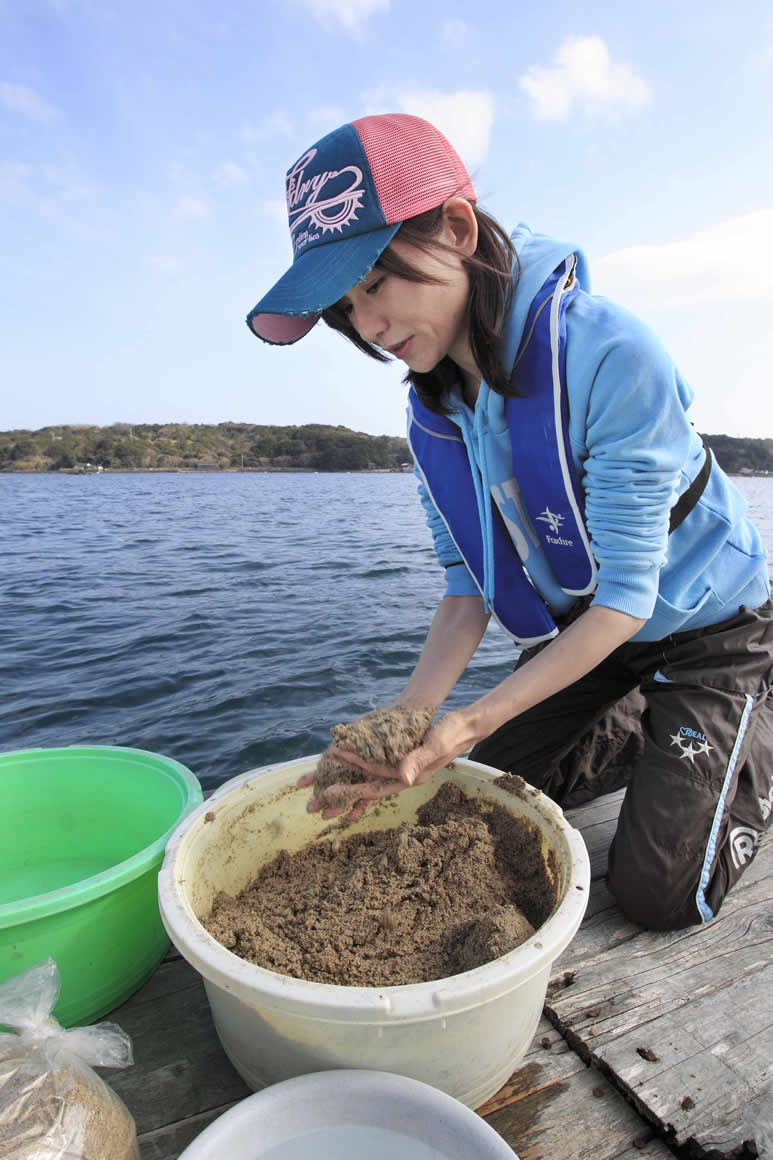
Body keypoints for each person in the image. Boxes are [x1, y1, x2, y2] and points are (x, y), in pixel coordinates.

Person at [245, 113, 773, 931]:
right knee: (464, 801)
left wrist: (469, 719)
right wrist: (411, 723)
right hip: (594, 643)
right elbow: (467, 592)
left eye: (375, 285)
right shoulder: (431, 422)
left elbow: (626, 596)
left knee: (664, 894)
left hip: (713, 630)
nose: (372, 329)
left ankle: (743, 721)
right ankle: (645, 727)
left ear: (456, 228)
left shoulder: (613, 354)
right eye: (347, 311)